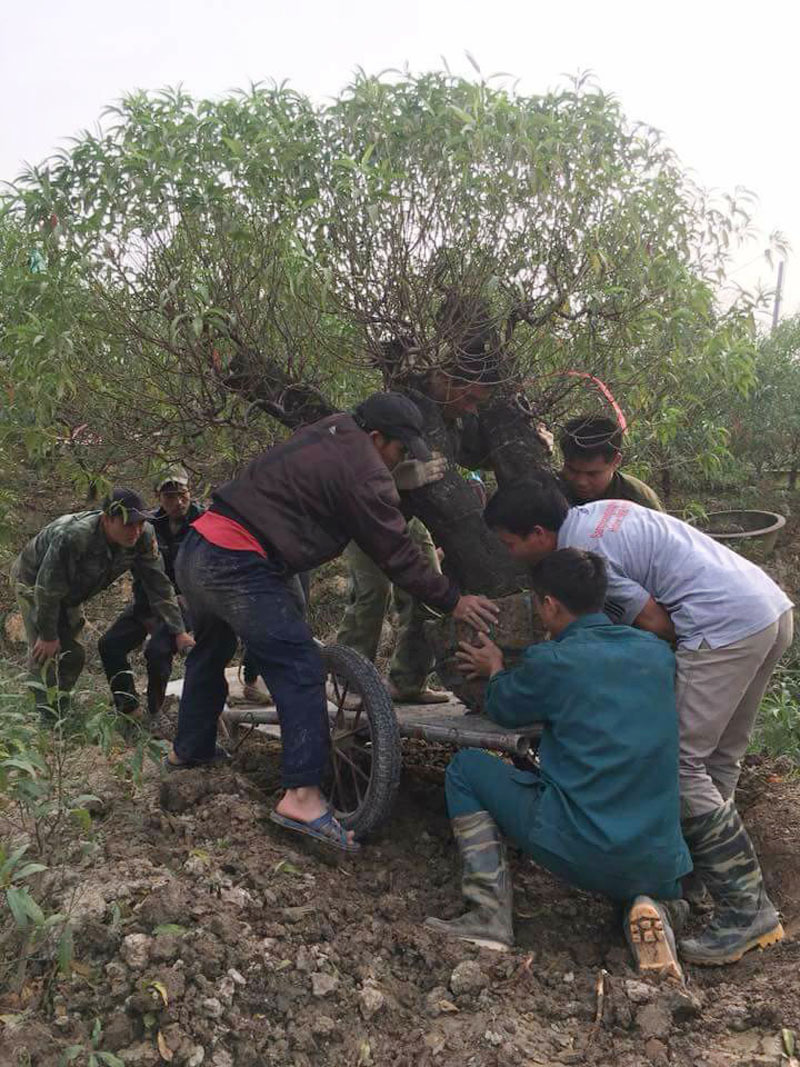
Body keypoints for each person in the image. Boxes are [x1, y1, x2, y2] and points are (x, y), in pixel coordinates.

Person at [166, 393, 499, 853]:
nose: (402, 459)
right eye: (400, 450)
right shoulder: (363, 471)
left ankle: (190, 747)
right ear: (377, 438)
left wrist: (393, 480)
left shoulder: (333, 428)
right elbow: (397, 554)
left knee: (211, 649)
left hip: (199, 548)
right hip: (234, 561)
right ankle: (302, 797)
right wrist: (454, 600)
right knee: (300, 665)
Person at [484, 476, 793, 965]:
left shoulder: (583, 549)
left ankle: (746, 908)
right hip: (766, 608)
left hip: (720, 626)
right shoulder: (594, 513)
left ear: (540, 533)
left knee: (679, 766)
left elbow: (654, 623)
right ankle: (700, 879)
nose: (511, 554)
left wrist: (632, 669)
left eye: (510, 544)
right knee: (715, 758)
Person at [426, 549, 690, 977]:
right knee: (638, 869)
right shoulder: (656, 654)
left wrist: (494, 669)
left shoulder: (553, 660)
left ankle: (487, 915)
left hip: (586, 849)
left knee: (466, 768)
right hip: (661, 858)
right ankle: (655, 908)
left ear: (548, 604)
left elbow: (504, 706)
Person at [10, 489, 193, 720]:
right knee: (46, 652)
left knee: (73, 654)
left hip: (71, 591)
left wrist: (179, 631)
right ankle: (47, 719)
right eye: (128, 524)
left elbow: (158, 585)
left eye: (140, 523)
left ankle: (60, 705)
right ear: (107, 519)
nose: (136, 531)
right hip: (34, 583)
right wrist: (47, 634)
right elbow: (47, 589)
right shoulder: (74, 537)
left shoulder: (144, 536)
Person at [98, 468, 204, 718]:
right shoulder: (147, 524)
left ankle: (155, 713)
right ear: (158, 497)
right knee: (109, 645)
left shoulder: (204, 522)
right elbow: (143, 570)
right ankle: (128, 710)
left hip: (190, 602)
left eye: (182, 494)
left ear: (190, 492)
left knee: (157, 651)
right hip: (150, 599)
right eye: (169, 496)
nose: (178, 502)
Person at [559, 415, 664, 510]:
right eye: (572, 470)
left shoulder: (639, 501)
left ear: (616, 461)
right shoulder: (552, 489)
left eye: (592, 474)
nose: (581, 482)